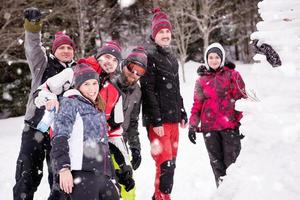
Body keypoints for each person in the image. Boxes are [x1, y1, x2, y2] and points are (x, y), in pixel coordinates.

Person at [13, 7, 76, 200]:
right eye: (61, 47)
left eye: (69, 47)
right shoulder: (43, 64)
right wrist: (33, 27)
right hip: (35, 129)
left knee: (60, 182)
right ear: (54, 51)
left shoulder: (78, 71)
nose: (65, 50)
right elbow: (32, 46)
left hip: (61, 134)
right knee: (26, 177)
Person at [50, 63, 120, 200]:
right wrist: (63, 169)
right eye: (86, 84)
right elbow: (60, 136)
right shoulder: (70, 103)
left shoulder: (98, 110)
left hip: (102, 175)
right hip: (82, 173)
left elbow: (104, 146)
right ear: (78, 86)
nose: (92, 88)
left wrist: (113, 178)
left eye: (94, 83)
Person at [140, 7, 188, 200]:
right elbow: (147, 90)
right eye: (161, 32)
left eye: (167, 31)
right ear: (154, 34)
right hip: (158, 123)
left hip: (173, 120)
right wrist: (156, 121)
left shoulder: (171, 57)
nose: (165, 35)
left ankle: (158, 197)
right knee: (164, 165)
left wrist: (182, 111)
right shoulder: (149, 56)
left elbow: (175, 89)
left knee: (171, 164)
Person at [188, 42, 247, 187]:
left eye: (216, 57)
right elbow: (197, 104)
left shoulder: (233, 75)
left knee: (232, 165)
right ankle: (222, 194)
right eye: (210, 57)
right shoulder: (201, 80)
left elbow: (242, 99)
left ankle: (236, 195)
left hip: (230, 128)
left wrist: (242, 123)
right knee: (217, 166)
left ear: (222, 58)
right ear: (206, 59)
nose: (213, 60)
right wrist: (192, 125)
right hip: (210, 130)